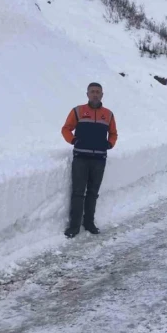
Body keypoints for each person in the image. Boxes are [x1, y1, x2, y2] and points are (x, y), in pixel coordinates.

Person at [61, 82, 118, 238]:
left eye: (97, 92)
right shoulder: (78, 111)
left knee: (93, 193)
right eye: (92, 91)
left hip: (99, 159)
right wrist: (73, 141)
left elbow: (113, 134)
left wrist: (110, 144)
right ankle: (74, 226)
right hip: (81, 158)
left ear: (102, 95)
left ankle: (89, 223)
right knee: (78, 193)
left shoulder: (108, 114)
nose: (95, 94)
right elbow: (65, 129)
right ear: (87, 94)